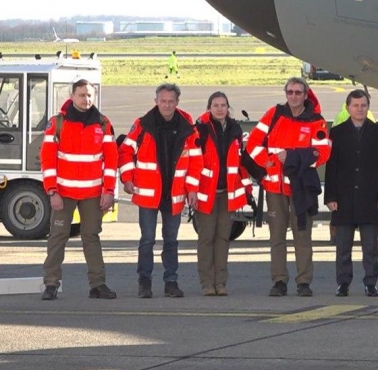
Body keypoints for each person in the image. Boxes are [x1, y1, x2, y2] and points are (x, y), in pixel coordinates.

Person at [245, 77, 331, 297]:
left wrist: (293, 158)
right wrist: (267, 161)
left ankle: (304, 282)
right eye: (290, 92)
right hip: (275, 189)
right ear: (286, 94)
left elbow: (322, 154)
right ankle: (279, 281)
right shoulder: (273, 115)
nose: (294, 96)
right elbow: (253, 144)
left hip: (302, 190)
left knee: (302, 238)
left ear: (305, 95)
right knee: (277, 238)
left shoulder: (316, 121)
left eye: (298, 92)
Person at [119, 83, 203, 299]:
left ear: (177, 102)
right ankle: (144, 283)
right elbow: (125, 151)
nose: (167, 105)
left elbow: (195, 162)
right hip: (148, 194)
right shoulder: (142, 124)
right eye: (163, 101)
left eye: (171, 101)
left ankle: (171, 282)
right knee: (147, 239)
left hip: (174, 195)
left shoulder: (187, 127)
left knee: (171, 241)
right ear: (156, 101)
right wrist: (127, 179)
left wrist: (192, 189)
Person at [40, 79, 118, 300]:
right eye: (82, 95)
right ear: (72, 96)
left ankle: (98, 285)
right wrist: (52, 191)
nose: (87, 99)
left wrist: (109, 191)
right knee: (58, 237)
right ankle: (51, 285)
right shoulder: (57, 123)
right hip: (63, 194)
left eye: (90, 95)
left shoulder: (103, 124)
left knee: (91, 237)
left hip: (93, 195)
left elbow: (111, 162)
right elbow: (47, 159)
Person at [325, 89, 378, 297]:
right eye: (355, 105)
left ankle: (370, 283)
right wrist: (331, 197)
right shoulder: (337, 133)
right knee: (343, 246)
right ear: (348, 108)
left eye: (363, 105)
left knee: (370, 247)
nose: (360, 109)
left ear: (368, 107)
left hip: (370, 199)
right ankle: (343, 283)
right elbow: (331, 167)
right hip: (343, 199)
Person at [193, 92, 251, 296]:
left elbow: (240, 162)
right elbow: (192, 162)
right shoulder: (200, 129)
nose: (220, 109)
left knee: (223, 238)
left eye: (223, 105)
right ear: (209, 107)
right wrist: (191, 190)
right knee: (206, 238)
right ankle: (207, 283)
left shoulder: (235, 129)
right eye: (216, 105)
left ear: (228, 107)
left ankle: (221, 282)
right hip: (206, 192)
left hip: (227, 193)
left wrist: (247, 189)